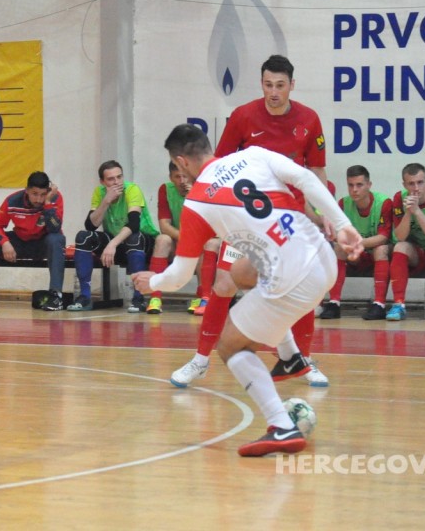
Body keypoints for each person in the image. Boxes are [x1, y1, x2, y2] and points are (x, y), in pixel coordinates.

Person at [133, 124, 363, 456]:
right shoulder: (254, 154)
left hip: (294, 280)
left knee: (229, 345)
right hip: (324, 259)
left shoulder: (196, 202)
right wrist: (342, 225)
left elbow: (180, 277)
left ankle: (281, 427)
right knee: (241, 272)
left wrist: (150, 282)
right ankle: (290, 356)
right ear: (208, 147)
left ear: (181, 163)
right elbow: (308, 180)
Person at [197, 54, 329, 388]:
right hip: (245, 219)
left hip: (289, 221)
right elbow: (220, 167)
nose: (274, 92)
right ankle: (199, 361)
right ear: (262, 84)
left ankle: (304, 360)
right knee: (224, 285)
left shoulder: (310, 120)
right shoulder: (242, 117)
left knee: (299, 288)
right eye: (268, 85)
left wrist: (325, 213)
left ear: (291, 86)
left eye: (280, 86)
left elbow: (316, 171)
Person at [0, 172, 65, 312]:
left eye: (43, 194)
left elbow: (55, 228)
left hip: (44, 243)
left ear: (48, 192)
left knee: (57, 239)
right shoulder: (12, 200)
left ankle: (56, 296)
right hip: (20, 242)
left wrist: (48, 204)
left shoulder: (55, 198)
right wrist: (5, 242)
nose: (39, 199)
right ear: (27, 190)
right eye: (35, 194)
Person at [69, 160, 161, 312]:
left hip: (143, 241)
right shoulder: (100, 192)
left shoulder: (132, 190)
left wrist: (112, 244)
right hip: (116, 241)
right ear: (102, 182)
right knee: (83, 237)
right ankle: (84, 297)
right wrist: (106, 201)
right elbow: (91, 225)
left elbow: (133, 224)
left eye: (119, 177)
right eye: (111, 179)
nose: (117, 182)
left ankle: (138, 299)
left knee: (134, 237)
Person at [369, 163, 425, 322]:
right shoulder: (399, 198)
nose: (416, 188)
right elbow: (400, 236)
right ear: (404, 185)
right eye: (411, 184)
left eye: (420, 182)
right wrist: (408, 212)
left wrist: (417, 211)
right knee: (400, 246)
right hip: (418, 251)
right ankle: (399, 304)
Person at [322, 165, 393, 319]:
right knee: (337, 248)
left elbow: (384, 236)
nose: (354, 189)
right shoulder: (343, 204)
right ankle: (334, 303)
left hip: (374, 253)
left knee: (381, 248)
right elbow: (337, 233)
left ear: (369, 185)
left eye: (359, 185)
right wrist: (350, 245)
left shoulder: (384, 203)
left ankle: (379, 304)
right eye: (350, 185)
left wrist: (357, 243)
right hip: (354, 255)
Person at [151, 161, 220, 315]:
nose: (182, 181)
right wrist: (187, 238)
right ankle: (155, 298)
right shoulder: (165, 190)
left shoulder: (204, 188)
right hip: (180, 240)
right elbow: (164, 226)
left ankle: (204, 296)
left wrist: (192, 199)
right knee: (162, 240)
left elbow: (208, 225)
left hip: (203, 239)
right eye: (177, 177)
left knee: (208, 243)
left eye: (185, 176)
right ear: (170, 177)